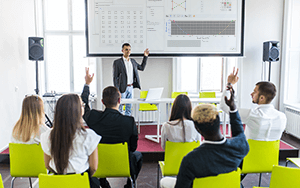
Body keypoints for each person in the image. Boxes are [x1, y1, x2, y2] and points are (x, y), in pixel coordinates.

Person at [160, 86, 249, 188]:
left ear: (197, 129)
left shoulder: (190, 160)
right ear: (218, 121)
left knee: (164, 181)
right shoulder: (240, 146)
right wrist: (233, 108)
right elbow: (239, 134)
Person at [81, 67, 143, 188]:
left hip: (99, 162)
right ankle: (130, 184)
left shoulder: (93, 117)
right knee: (138, 156)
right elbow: (133, 147)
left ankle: (103, 182)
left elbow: (84, 104)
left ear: (103, 102)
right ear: (120, 100)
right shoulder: (129, 121)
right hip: (123, 163)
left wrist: (87, 84)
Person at [40, 94, 101, 188]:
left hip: (57, 183)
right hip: (81, 182)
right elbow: (94, 167)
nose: (83, 106)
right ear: (78, 111)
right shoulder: (88, 135)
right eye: (82, 105)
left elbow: (47, 165)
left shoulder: (47, 136)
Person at [220, 67, 287, 141]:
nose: (251, 94)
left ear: (262, 98)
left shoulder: (252, 115)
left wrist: (229, 84)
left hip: (250, 152)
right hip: (272, 153)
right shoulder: (282, 117)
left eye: (255, 92)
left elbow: (224, 106)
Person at [113, 43, 150, 116]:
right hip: (122, 88)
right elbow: (115, 77)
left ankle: (126, 125)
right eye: (126, 50)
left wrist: (145, 56)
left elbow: (142, 68)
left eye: (129, 49)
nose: (128, 51)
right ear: (122, 51)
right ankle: (120, 125)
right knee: (120, 108)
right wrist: (117, 90)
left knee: (129, 108)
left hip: (131, 87)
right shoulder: (117, 62)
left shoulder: (133, 61)